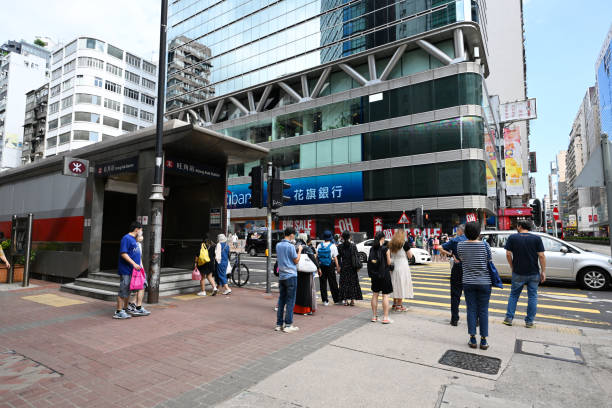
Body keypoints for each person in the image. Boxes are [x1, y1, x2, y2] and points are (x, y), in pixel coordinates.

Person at [503, 220, 546, 328]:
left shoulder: (513, 238)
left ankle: (509, 319)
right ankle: (529, 322)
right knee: (532, 297)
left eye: (517, 226)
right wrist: (543, 271)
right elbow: (541, 256)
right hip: (533, 272)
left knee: (514, 295)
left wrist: (512, 266)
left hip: (518, 272)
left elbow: (508, 254)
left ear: (519, 226)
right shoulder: (536, 238)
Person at [456, 221, 492, 350]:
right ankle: (483, 341)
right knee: (483, 310)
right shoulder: (485, 245)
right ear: (479, 233)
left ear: (465, 233)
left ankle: (472, 339)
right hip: (484, 282)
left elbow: (461, 260)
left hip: (468, 282)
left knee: (471, 309)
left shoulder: (460, 245)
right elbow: (489, 261)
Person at [115, 221, 150, 319]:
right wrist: (134, 264)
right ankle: (118, 311)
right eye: (141, 230)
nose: (141, 232)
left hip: (135, 270)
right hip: (126, 270)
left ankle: (136, 307)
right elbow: (123, 253)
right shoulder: (126, 238)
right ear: (137, 229)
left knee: (141, 286)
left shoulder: (134, 240)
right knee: (124, 290)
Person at [276, 227, 303, 333]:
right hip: (291, 276)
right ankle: (288, 325)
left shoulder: (278, 245)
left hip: (282, 276)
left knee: (281, 300)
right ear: (291, 235)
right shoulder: (291, 246)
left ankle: (279, 324)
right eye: (294, 235)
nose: (294, 237)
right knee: (290, 300)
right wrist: (299, 250)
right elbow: (296, 260)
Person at [440, 224, 467, 326]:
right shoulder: (471, 240)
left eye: (457, 230)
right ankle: (475, 319)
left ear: (460, 231)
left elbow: (439, 247)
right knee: (471, 296)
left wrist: (451, 255)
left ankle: (454, 319)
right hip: (469, 270)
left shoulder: (454, 241)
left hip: (457, 268)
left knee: (455, 295)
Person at [368, 232, 393, 324]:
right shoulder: (386, 249)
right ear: (383, 238)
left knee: (375, 294)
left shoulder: (372, 249)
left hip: (374, 275)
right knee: (385, 295)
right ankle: (385, 318)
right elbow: (389, 263)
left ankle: (374, 316)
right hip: (384, 274)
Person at [294, 233, 319, 315]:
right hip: (306, 272)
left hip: (296, 271)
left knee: (297, 290)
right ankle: (305, 310)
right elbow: (313, 259)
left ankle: (296, 309)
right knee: (306, 290)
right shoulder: (306, 248)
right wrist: (318, 268)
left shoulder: (295, 246)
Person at [388, 230, 414, 312]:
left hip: (393, 265)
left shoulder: (391, 244)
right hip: (402, 266)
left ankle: (394, 303)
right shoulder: (404, 243)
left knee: (395, 284)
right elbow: (410, 256)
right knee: (401, 284)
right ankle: (399, 305)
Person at [337, 230, 363, 306]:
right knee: (352, 283)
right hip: (352, 267)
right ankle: (352, 300)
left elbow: (338, 257)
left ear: (342, 237)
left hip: (344, 267)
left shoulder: (340, 246)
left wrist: (338, 266)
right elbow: (357, 256)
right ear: (350, 237)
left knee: (344, 283)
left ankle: (345, 300)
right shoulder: (353, 246)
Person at [316, 230, 340, 305]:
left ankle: (325, 301)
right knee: (333, 282)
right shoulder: (332, 246)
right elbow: (335, 258)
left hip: (321, 266)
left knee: (323, 283)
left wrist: (318, 267)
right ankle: (336, 299)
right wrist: (338, 267)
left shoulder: (319, 245)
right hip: (330, 266)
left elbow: (316, 257)